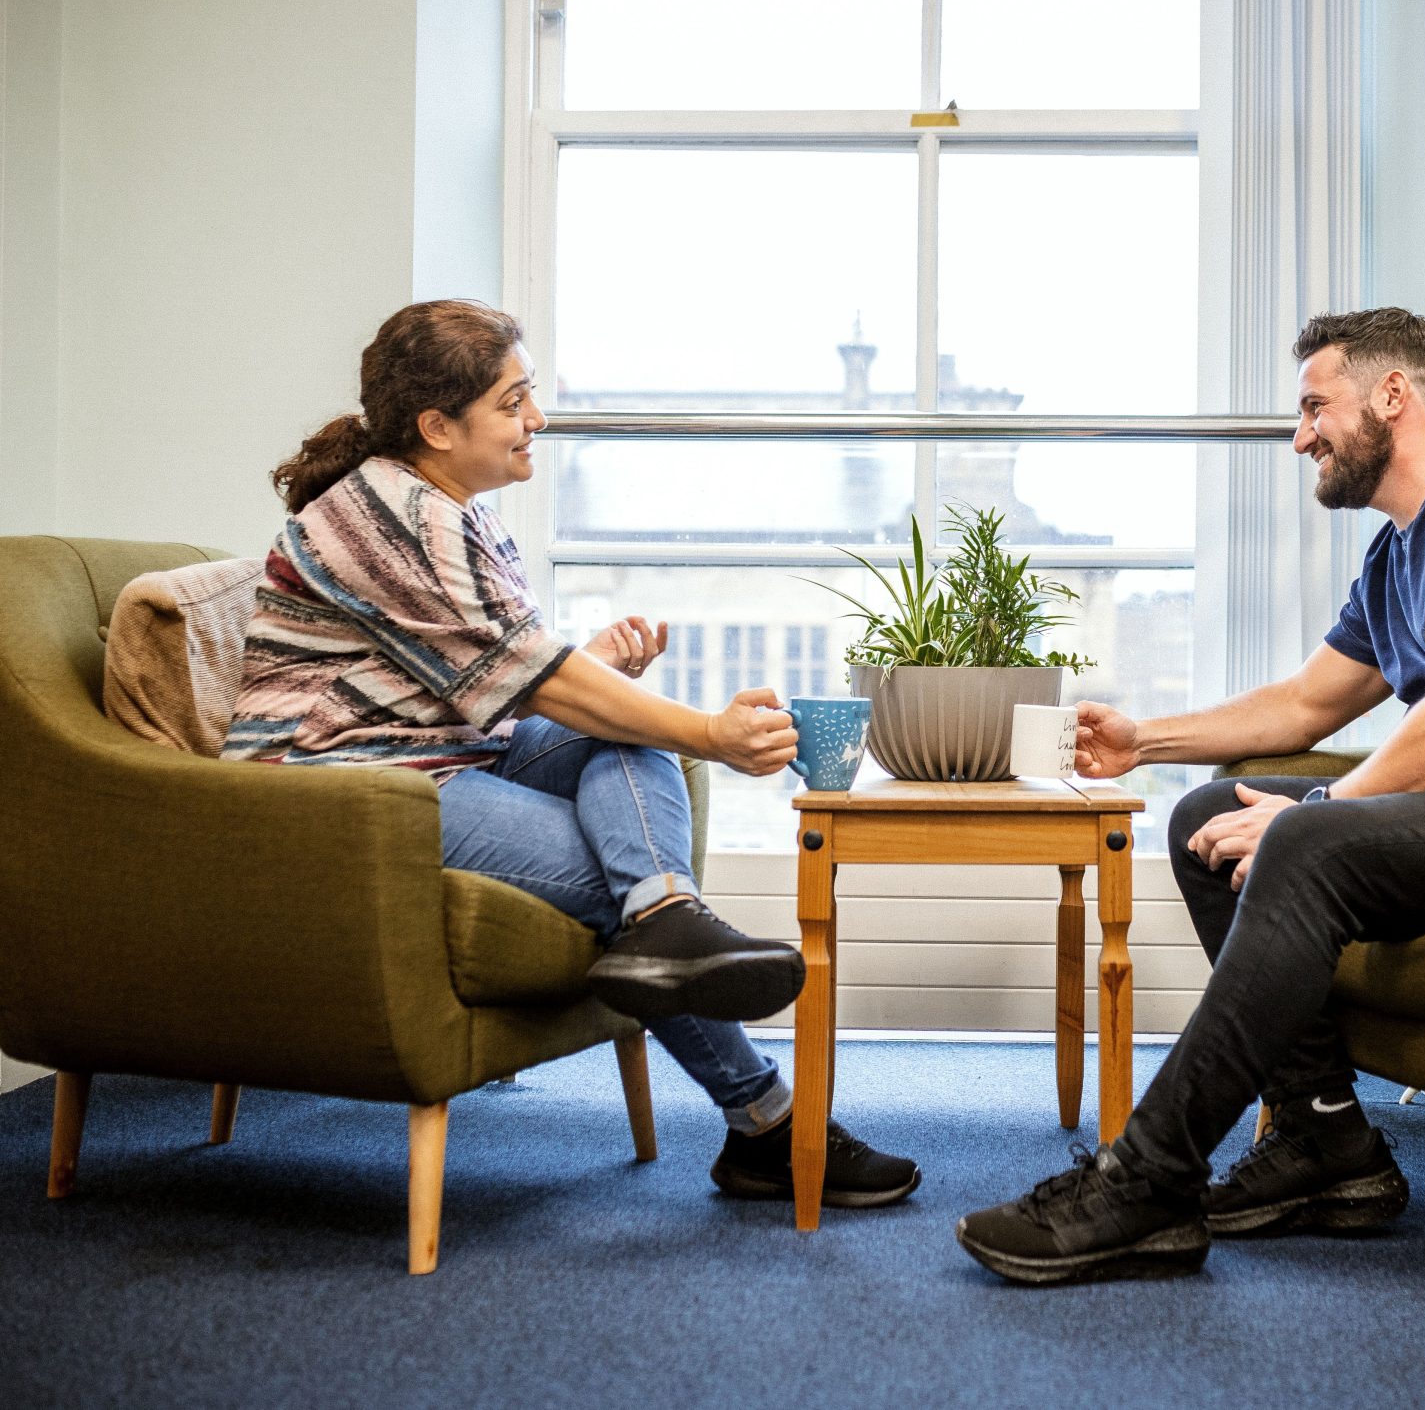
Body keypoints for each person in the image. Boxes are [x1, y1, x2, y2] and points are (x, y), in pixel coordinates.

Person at [955, 307, 1425, 1283]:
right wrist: (1146, 740)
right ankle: (1324, 1138)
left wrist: (1315, 814)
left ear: (1393, 395)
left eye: (1315, 405)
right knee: (1206, 819)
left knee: (1302, 840)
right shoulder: (1398, 551)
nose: (1300, 432)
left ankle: (1145, 1179)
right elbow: (1308, 700)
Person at [223, 299, 918, 1209]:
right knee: (620, 882)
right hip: (342, 791)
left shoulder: (447, 507)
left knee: (624, 755)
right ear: (438, 426)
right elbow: (532, 680)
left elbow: (489, 671)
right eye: (514, 403)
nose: (536, 421)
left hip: (438, 752)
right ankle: (764, 1118)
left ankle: (669, 916)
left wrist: (593, 673)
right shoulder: (403, 516)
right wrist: (705, 732)